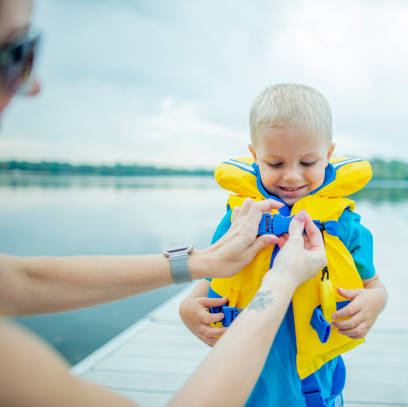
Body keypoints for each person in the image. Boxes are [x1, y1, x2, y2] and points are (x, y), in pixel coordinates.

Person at [0, 1, 330, 406]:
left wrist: (199, 262)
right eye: (18, 55)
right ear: (255, 154)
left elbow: (20, 281)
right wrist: (280, 283)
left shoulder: (337, 219)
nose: (33, 85)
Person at [180, 83, 388, 406]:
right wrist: (187, 307)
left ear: (329, 154)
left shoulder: (343, 224)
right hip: (246, 387)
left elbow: (374, 285)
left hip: (312, 390)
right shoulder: (242, 217)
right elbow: (212, 275)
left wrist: (375, 303)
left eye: (307, 163)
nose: (292, 176)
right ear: (255, 156)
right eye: (276, 164)